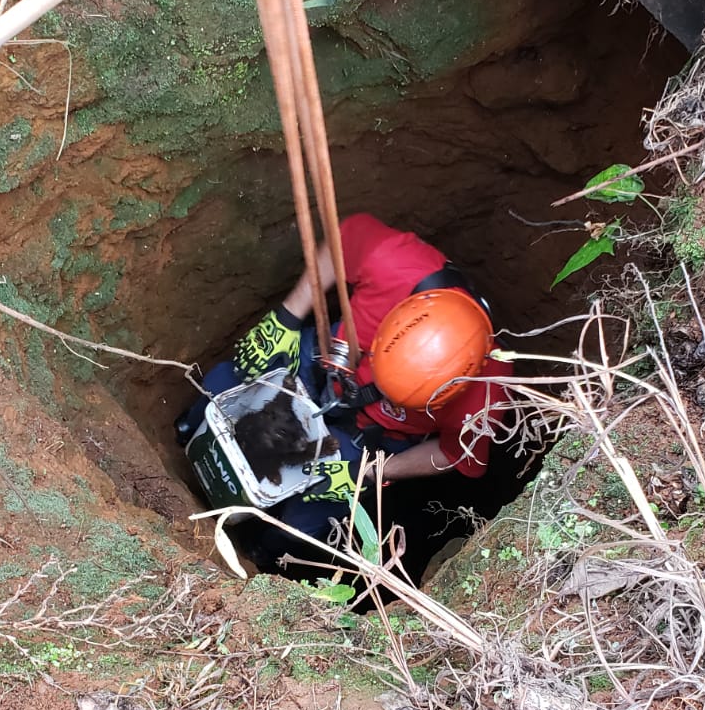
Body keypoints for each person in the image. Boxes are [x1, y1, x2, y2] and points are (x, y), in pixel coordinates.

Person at [181, 213, 516, 567]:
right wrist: (287, 318)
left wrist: (373, 473)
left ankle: (262, 554)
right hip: (322, 366)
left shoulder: (486, 395)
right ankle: (187, 442)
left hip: (369, 437)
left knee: (305, 521)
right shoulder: (398, 267)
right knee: (225, 385)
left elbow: (454, 454)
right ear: (395, 324)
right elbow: (343, 241)